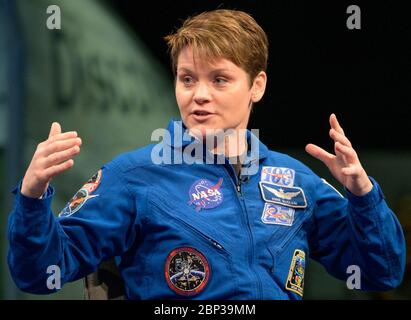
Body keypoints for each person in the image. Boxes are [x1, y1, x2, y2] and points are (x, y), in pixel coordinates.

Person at [7, 9, 405, 299]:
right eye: (187, 79)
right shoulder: (133, 177)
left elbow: (381, 273)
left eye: (219, 80)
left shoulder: (296, 181)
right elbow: (42, 275)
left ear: (257, 86)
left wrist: (364, 196)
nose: (199, 95)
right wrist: (31, 198)